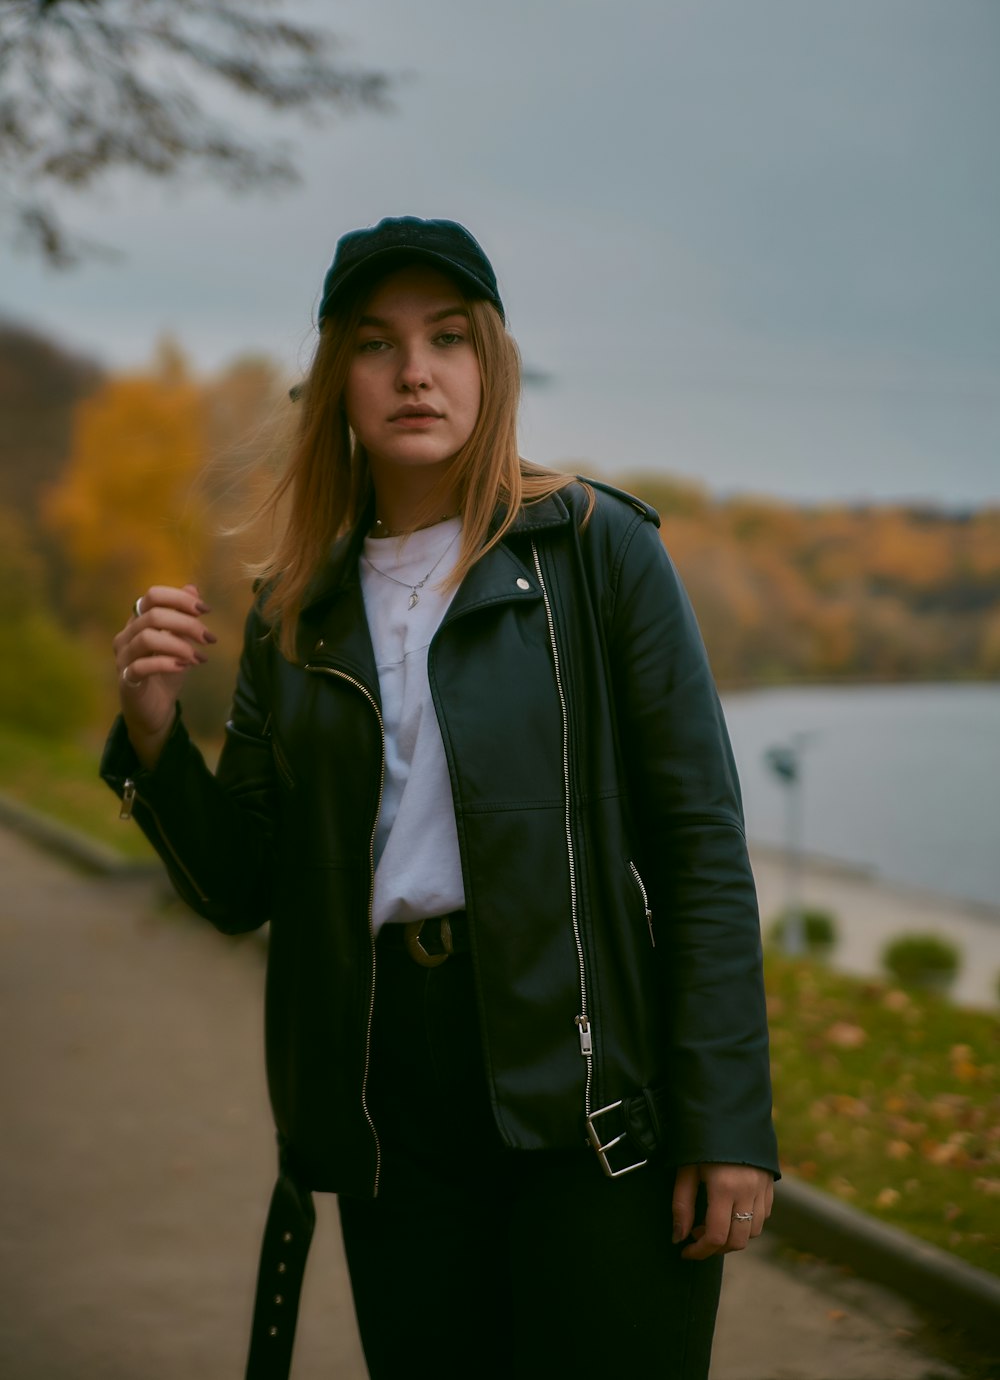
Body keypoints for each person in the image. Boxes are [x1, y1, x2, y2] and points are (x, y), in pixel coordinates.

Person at [103, 216, 779, 1380]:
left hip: (587, 1101)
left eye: (447, 337)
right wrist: (156, 737)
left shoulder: (597, 551)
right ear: (336, 382)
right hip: (391, 1114)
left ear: (490, 363)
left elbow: (700, 851)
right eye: (376, 344)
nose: (414, 370)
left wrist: (728, 1126)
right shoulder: (292, 612)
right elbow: (240, 886)